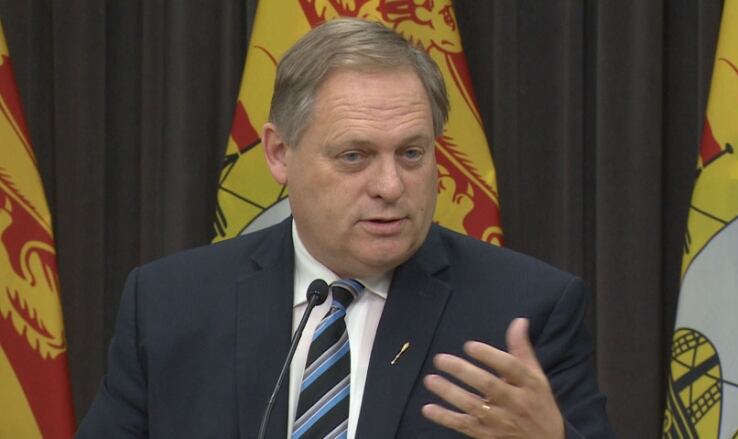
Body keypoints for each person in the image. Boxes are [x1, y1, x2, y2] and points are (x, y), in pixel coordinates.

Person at [77, 18, 613, 438]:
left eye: (411, 153)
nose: (390, 185)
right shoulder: (172, 305)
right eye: (354, 156)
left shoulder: (526, 309)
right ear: (280, 153)